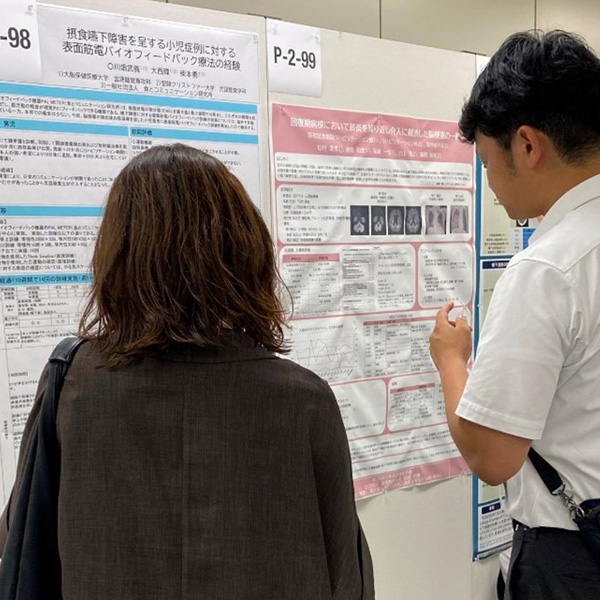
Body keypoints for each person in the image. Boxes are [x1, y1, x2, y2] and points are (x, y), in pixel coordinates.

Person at [0, 144, 374, 600]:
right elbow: (347, 576)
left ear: (119, 254)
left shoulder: (72, 384)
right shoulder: (305, 399)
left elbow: (22, 539)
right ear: (243, 247)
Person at [429, 30, 600, 599]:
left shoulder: (547, 269)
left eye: (486, 160)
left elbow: (493, 455)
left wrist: (451, 361)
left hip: (573, 558)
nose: (489, 183)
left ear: (527, 145)